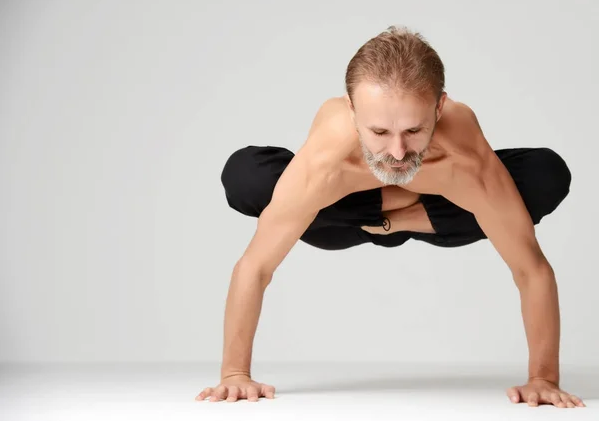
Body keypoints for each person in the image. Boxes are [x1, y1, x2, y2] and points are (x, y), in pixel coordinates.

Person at [196, 25, 585, 408]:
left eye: (414, 130)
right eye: (379, 131)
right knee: (247, 175)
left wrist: (543, 379)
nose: (398, 152)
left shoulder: (464, 157)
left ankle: (405, 216)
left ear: (439, 106)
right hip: (340, 217)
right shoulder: (327, 160)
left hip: (443, 212)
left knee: (544, 173)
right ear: (351, 110)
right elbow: (256, 265)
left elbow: (530, 269)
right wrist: (234, 375)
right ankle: (399, 210)